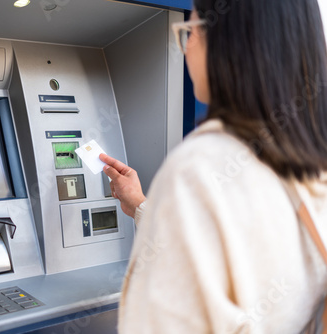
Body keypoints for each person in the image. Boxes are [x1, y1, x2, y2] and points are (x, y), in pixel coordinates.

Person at [100, 0, 327, 332]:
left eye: (188, 32)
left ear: (225, 43)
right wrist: (141, 207)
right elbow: (232, 254)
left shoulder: (199, 168)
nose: (186, 47)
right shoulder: (312, 167)